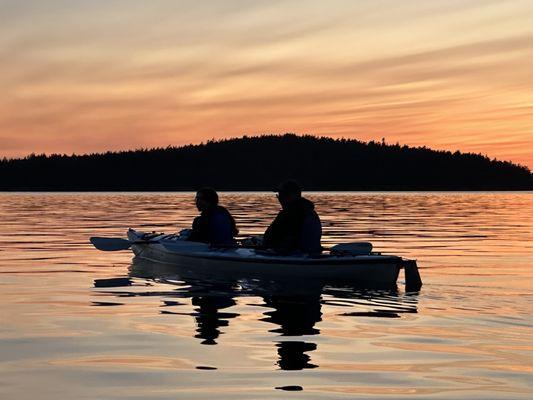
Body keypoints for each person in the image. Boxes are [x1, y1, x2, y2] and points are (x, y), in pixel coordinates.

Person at [263, 180, 322, 254]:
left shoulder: (289, 214)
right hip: (311, 253)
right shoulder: (310, 211)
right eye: (279, 196)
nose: (280, 199)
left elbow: (272, 239)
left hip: (293, 255)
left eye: (282, 195)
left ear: (293, 195)